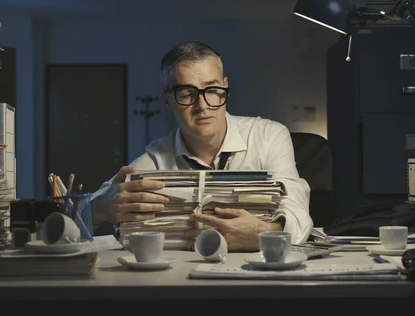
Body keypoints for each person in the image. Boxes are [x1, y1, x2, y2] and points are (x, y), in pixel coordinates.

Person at [91, 41, 313, 251]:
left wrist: (265, 233)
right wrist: (101, 208)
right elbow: (92, 208)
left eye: (212, 89)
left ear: (225, 86)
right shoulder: (157, 157)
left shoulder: (270, 136)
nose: (202, 105)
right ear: (167, 99)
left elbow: (298, 211)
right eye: (187, 94)